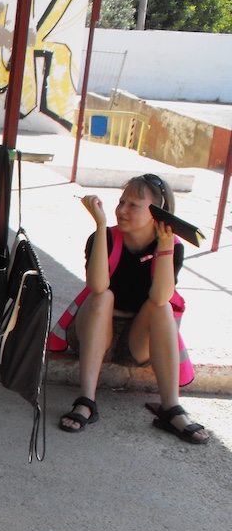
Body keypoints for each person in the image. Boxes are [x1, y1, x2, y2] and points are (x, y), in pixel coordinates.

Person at [56, 174, 210, 444]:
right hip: (94, 332)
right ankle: (86, 401)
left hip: (136, 342)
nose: (122, 210)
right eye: (121, 201)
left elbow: (161, 297)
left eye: (134, 205)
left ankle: (170, 408)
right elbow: (97, 285)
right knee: (103, 297)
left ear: (157, 214)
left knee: (160, 307)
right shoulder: (103, 238)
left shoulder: (172, 247)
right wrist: (102, 225)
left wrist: (164, 247)